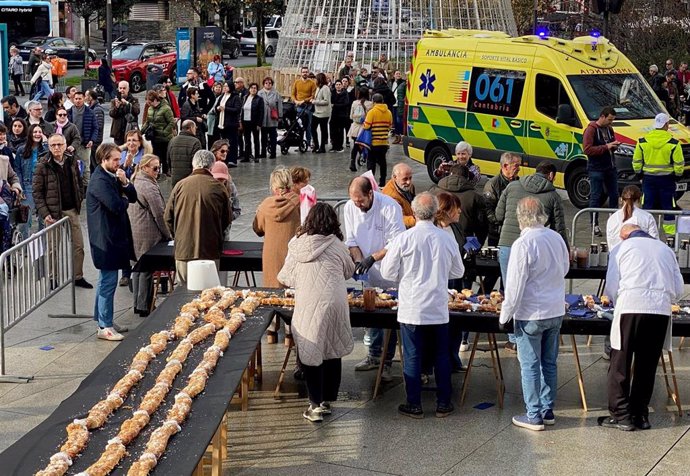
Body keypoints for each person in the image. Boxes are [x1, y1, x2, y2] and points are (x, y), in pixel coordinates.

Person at [380, 192, 464, 419]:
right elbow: (458, 271)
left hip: (412, 306)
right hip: (437, 305)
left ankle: (414, 403)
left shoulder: (404, 239)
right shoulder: (446, 238)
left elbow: (387, 272)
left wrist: (404, 275)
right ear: (435, 212)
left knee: (413, 355)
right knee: (441, 356)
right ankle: (444, 403)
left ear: (414, 213)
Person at [599, 224, 684, 431]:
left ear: (625, 236)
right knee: (647, 365)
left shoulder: (621, 248)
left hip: (631, 305)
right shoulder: (665, 249)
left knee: (620, 361)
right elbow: (679, 288)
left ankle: (621, 414)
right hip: (660, 310)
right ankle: (640, 414)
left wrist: (614, 299)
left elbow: (611, 285)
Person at [277, 203, 356, 422]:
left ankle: (314, 405)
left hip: (308, 303)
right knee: (332, 346)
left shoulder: (296, 245)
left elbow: (284, 277)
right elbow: (349, 271)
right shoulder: (337, 244)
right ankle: (328, 399)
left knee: (311, 349)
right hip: (335, 303)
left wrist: (303, 279)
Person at [499, 197, 569, 431]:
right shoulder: (555, 237)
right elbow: (565, 268)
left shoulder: (523, 243)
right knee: (549, 363)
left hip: (530, 312)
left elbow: (515, 285)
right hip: (555, 309)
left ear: (520, 217)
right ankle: (548, 409)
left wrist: (504, 315)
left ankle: (534, 414)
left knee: (529, 365)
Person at [496, 161, 568, 351]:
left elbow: (498, 214)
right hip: (538, 243)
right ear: (551, 175)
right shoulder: (553, 195)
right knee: (532, 285)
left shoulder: (512, 186)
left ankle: (513, 337)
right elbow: (560, 227)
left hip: (507, 243)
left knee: (510, 287)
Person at [345, 177, 405, 379]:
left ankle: (386, 362)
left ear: (370, 194)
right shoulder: (349, 207)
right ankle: (372, 356)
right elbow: (352, 240)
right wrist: (360, 261)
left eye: (360, 200)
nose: (357, 205)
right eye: (354, 201)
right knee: (370, 315)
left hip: (388, 269)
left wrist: (373, 258)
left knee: (388, 318)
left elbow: (396, 242)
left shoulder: (390, 207)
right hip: (368, 270)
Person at [87, 143, 137, 341]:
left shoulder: (113, 176)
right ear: (103, 160)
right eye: (115, 159)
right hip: (105, 240)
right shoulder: (99, 180)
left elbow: (132, 197)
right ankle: (104, 326)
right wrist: (123, 198)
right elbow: (117, 205)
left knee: (104, 281)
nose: (119, 163)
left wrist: (125, 184)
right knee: (108, 282)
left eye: (119, 158)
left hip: (114, 237)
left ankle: (102, 318)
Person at [33, 134, 92, 289]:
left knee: (78, 246)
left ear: (65, 145)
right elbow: (37, 193)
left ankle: (78, 276)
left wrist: (79, 199)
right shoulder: (42, 165)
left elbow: (78, 181)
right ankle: (53, 278)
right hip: (52, 213)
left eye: (59, 144)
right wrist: (45, 213)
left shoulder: (72, 160)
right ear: (49, 147)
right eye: (53, 145)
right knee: (52, 248)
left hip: (72, 209)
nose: (57, 148)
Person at [164, 150, 231, 282]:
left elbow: (168, 217)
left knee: (184, 293)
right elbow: (227, 219)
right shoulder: (219, 187)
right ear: (211, 167)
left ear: (193, 164)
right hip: (210, 249)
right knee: (210, 294)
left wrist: (178, 236)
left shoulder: (180, 186)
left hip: (184, 249)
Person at [253, 167, 300, 344]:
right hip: (292, 252)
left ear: (274, 185)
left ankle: (272, 331)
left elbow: (258, 228)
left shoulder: (266, 205)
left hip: (271, 253)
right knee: (290, 291)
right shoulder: (298, 203)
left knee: (272, 289)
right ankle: (290, 333)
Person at [128, 154, 170, 317]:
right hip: (148, 231)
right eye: (155, 168)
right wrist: (168, 234)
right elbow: (159, 214)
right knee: (146, 269)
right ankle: (145, 306)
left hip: (136, 228)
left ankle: (137, 304)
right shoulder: (148, 186)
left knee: (138, 267)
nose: (158, 171)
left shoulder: (135, 180)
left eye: (159, 168)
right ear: (144, 167)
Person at [632, 113, 684, 235]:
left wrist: (639, 175)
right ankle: (670, 236)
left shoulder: (642, 141)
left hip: (648, 179)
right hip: (667, 180)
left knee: (647, 206)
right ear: (667, 124)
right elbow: (679, 164)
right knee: (669, 207)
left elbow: (636, 162)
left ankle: (645, 233)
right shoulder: (674, 143)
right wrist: (677, 176)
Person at [583, 107, 620, 236]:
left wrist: (614, 146)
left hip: (610, 167)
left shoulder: (609, 129)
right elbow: (587, 150)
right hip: (596, 168)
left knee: (614, 195)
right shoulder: (591, 130)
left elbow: (609, 146)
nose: (611, 122)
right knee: (596, 196)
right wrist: (606, 147)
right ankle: (594, 225)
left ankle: (614, 223)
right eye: (610, 119)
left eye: (613, 120)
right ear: (602, 116)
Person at [433, 164, 489, 246]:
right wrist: (474, 247)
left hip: (436, 240)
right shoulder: (474, 197)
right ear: (467, 178)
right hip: (466, 243)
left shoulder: (433, 192)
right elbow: (482, 227)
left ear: (450, 174)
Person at [15, 124, 47, 237]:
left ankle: (41, 248)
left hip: (43, 186)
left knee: (43, 220)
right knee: (25, 220)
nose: (37, 134)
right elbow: (17, 169)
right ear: (30, 134)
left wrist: (46, 143)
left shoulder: (46, 149)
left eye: (39, 132)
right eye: (35, 132)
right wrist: (20, 188)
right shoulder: (21, 149)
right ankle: (24, 246)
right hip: (27, 186)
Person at [606, 185, 659, 250]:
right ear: (639, 199)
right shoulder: (647, 217)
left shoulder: (612, 218)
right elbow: (655, 243)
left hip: (617, 257)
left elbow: (610, 244)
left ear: (621, 199)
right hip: (641, 256)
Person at [68, 91, 100, 188]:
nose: (78, 101)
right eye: (76, 99)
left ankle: (86, 187)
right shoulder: (68, 112)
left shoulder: (90, 112)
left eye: (80, 99)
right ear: (73, 99)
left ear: (83, 99)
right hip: (71, 145)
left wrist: (92, 140)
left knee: (86, 167)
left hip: (84, 145)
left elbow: (95, 128)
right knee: (70, 166)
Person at [142, 90, 175, 177]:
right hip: (155, 137)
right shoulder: (150, 109)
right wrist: (141, 131)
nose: (149, 104)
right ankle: (157, 172)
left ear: (155, 100)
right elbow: (147, 122)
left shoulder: (166, 109)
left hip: (165, 138)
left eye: (150, 102)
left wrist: (164, 132)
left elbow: (171, 122)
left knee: (165, 156)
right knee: (156, 155)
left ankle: (166, 171)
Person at [363, 93, 393, 187]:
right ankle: (382, 181)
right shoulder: (388, 112)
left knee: (371, 163)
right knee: (382, 162)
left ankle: (371, 183)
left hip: (373, 142)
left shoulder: (372, 112)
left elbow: (366, 126)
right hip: (384, 142)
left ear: (373, 101)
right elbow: (390, 126)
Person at [214, 81, 242, 167]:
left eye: (227, 86)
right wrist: (218, 108)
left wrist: (226, 108)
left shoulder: (235, 97)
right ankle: (225, 159)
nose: (225, 88)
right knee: (224, 143)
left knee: (232, 142)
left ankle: (232, 160)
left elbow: (237, 109)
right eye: (224, 86)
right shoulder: (222, 96)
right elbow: (216, 106)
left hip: (231, 124)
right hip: (222, 123)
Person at [210, 160, 240, 238]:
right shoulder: (206, 188)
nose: (219, 182)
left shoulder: (231, 187)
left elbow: (237, 210)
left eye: (222, 179)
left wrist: (227, 218)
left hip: (225, 229)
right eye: (217, 179)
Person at [381, 162, 416, 228]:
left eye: (410, 178)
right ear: (395, 177)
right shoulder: (391, 196)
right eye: (405, 179)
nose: (408, 182)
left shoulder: (409, 186)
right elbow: (398, 219)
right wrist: (418, 220)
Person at [168, 120, 201, 187]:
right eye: (195, 128)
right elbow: (197, 162)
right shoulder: (195, 142)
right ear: (190, 128)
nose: (195, 130)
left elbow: (168, 159)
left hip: (175, 178)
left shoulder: (172, 141)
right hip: (189, 179)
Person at [291, 66, 317, 146]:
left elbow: (313, 96)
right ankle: (300, 142)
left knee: (308, 125)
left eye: (306, 72)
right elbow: (292, 94)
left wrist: (304, 101)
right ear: (301, 73)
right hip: (298, 106)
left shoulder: (312, 83)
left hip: (307, 107)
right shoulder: (297, 82)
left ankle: (308, 142)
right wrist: (295, 101)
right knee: (299, 125)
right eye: (303, 72)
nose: (305, 73)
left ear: (308, 73)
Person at [348, 88, 372, 171]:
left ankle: (352, 162)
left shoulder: (354, 103)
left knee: (355, 146)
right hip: (364, 128)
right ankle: (364, 158)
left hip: (355, 128)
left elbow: (351, 116)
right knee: (365, 145)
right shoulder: (370, 104)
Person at [258, 77, 283, 160]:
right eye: (266, 83)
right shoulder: (260, 93)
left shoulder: (276, 93)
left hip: (272, 117)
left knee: (273, 137)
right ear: (263, 84)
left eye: (269, 83)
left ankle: (273, 152)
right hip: (263, 117)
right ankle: (263, 153)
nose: (268, 84)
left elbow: (280, 105)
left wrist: (280, 116)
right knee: (263, 137)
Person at [110, 81, 141, 146]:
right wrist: (117, 107)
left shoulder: (134, 100)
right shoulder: (114, 101)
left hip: (130, 131)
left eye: (124, 88)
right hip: (118, 133)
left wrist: (127, 103)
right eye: (120, 88)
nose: (122, 90)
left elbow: (137, 111)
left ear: (128, 89)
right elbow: (112, 114)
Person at [240, 83, 264, 163]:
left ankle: (257, 156)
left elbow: (261, 112)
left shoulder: (259, 99)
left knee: (256, 139)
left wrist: (259, 124)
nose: (253, 89)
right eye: (252, 88)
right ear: (249, 89)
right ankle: (247, 156)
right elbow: (241, 110)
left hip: (254, 122)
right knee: (247, 140)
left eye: (255, 88)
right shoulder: (245, 97)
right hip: (245, 121)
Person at [311, 73, 331, 154]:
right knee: (313, 128)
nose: (315, 80)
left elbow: (326, 101)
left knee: (323, 130)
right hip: (317, 112)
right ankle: (316, 144)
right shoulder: (318, 88)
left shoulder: (325, 88)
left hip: (323, 113)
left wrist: (315, 102)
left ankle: (322, 147)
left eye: (316, 78)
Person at [86, 89, 105, 173]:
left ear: (90, 97)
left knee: (95, 162)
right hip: (93, 140)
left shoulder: (97, 109)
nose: (85, 97)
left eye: (86, 96)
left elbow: (98, 125)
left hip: (95, 140)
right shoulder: (91, 108)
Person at [329, 79, 349, 152]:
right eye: (336, 84)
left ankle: (340, 146)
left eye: (339, 84)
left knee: (340, 131)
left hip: (342, 115)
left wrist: (335, 105)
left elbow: (346, 103)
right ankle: (334, 145)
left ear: (341, 85)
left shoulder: (345, 93)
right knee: (333, 130)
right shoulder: (332, 93)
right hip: (333, 114)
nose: (338, 86)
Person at [390, 71, 406, 144]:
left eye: (399, 74)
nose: (398, 75)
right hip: (393, 104)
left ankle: (402, 137)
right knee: (395, 122)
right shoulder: (392, 83)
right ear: (394, 75)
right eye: (397, 74)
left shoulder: (403, 83)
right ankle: (397, 137)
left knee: (400, 121)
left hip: (400, 104)